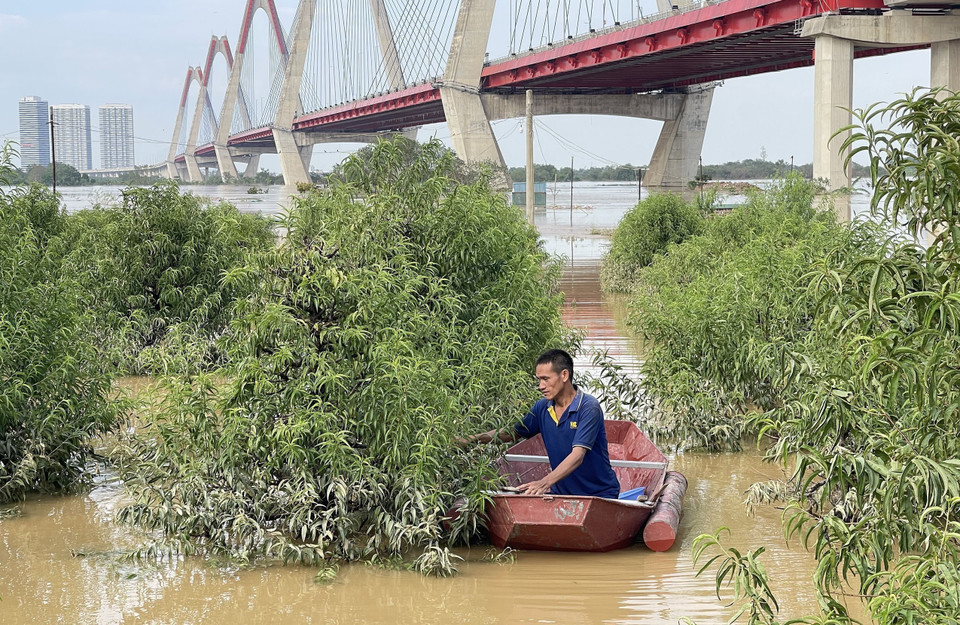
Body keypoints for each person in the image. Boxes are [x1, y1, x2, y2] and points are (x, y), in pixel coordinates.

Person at [460, 349, 620, 498]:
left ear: (564, 375)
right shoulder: (542, 407)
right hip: (561, 495)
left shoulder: (588, 407)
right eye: (539, 380)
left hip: (599, 495)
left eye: (545, 379)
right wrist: (470, 439)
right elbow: (511, 433)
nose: (541, 386)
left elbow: (577, 456)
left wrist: (544, 483)